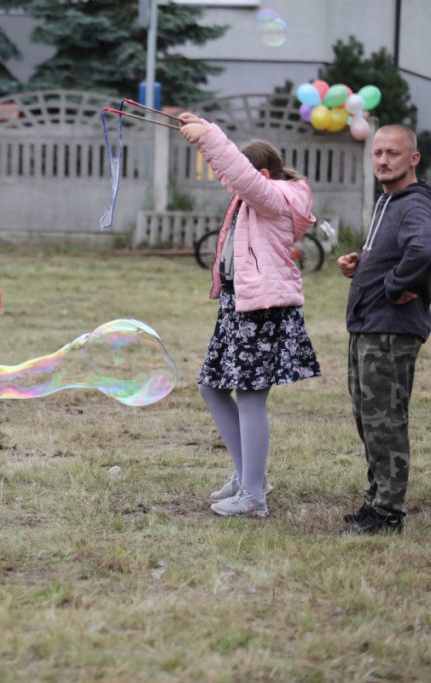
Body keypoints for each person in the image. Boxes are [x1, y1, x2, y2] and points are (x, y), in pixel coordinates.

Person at [178, 113, 321, 519]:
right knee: (211, 387)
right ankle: (247, 476)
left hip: (262, 309)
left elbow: (241, 175)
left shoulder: (276, 198)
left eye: (245, 174)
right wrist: (202, 129)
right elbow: (233, 173)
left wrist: (211, 136)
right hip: (238, 306)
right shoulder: (253, 194)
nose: (235, 182)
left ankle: (254, 495)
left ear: (261, 174)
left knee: (251, 398)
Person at [336, 124, 431, 535]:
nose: (383, 160)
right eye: (378, 153)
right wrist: (363, 265)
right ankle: (376, 499)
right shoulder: (388, 201)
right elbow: (401, 250)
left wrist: (396, 285)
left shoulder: (413, 204)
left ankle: (388, 514)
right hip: (369, 326)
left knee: (386, 421)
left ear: (413, 159)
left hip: (390, 331)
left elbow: (424, 247)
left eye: (393, 153)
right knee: (368, 419)